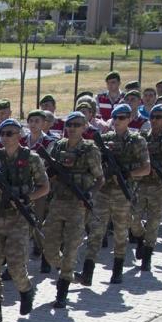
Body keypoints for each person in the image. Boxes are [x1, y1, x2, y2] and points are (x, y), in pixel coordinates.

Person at [0, 118, 49, 322]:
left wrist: (26, 198)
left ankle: (25, 289)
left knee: (16, 264)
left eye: (11, 133)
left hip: (19, 218)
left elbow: (44, 187)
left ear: (19, 135)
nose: (6, 137)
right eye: (3, 134)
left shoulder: (31, 158)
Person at [41, 112, 104, 308]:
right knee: (49, 248)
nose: (73, 128)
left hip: (77, 205)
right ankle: (68, 272)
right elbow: (46, 173)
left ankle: (63, 289)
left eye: (77, 124)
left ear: (84, 127)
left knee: (70, 249)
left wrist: (88, 195)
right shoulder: (58, 146)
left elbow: (99, 178)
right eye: (70, 124)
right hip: (58, 202)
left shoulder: (89, 150)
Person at [82, 103, 150, 285]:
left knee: (121, 232)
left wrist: (128, 173)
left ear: (129, 119)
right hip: (104, 192)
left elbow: (146, 169)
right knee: (96, 231)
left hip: (124, 192)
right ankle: (87, 271)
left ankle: (118, 269)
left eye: (122, 118)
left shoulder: (137, 141)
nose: (118, 122)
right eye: (115, 118)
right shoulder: (104, 140)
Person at [130, 104, 162, 270]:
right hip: (142, 184)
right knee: (134, 220)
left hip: (159, 186)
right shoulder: (142, 136)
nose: (154, 120)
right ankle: (140, 239)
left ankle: (147, 255)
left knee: (153, 222)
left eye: (159, 117)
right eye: (152, 117)